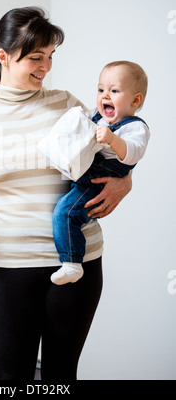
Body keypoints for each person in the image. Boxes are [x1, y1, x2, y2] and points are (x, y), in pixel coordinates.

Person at [0, 7, 132, 381]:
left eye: (51, 57)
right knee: (11, 378)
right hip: (12, 266)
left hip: (77, 263)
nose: (46, 66)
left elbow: (113, 151)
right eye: (36, 57)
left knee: (60, 376)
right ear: (3, 56)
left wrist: (126, 181)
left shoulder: (66, 104)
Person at [51, 61, 150, 285]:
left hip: (95, 183)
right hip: (82, 174)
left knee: (65, 214)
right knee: (65, 206)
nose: (105, 95)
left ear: (135, 100)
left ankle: (72, 263)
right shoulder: (96, 115)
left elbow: (133, 154)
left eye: (114, 90)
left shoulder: (135, 128)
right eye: (101, 89)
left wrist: (113, 139)